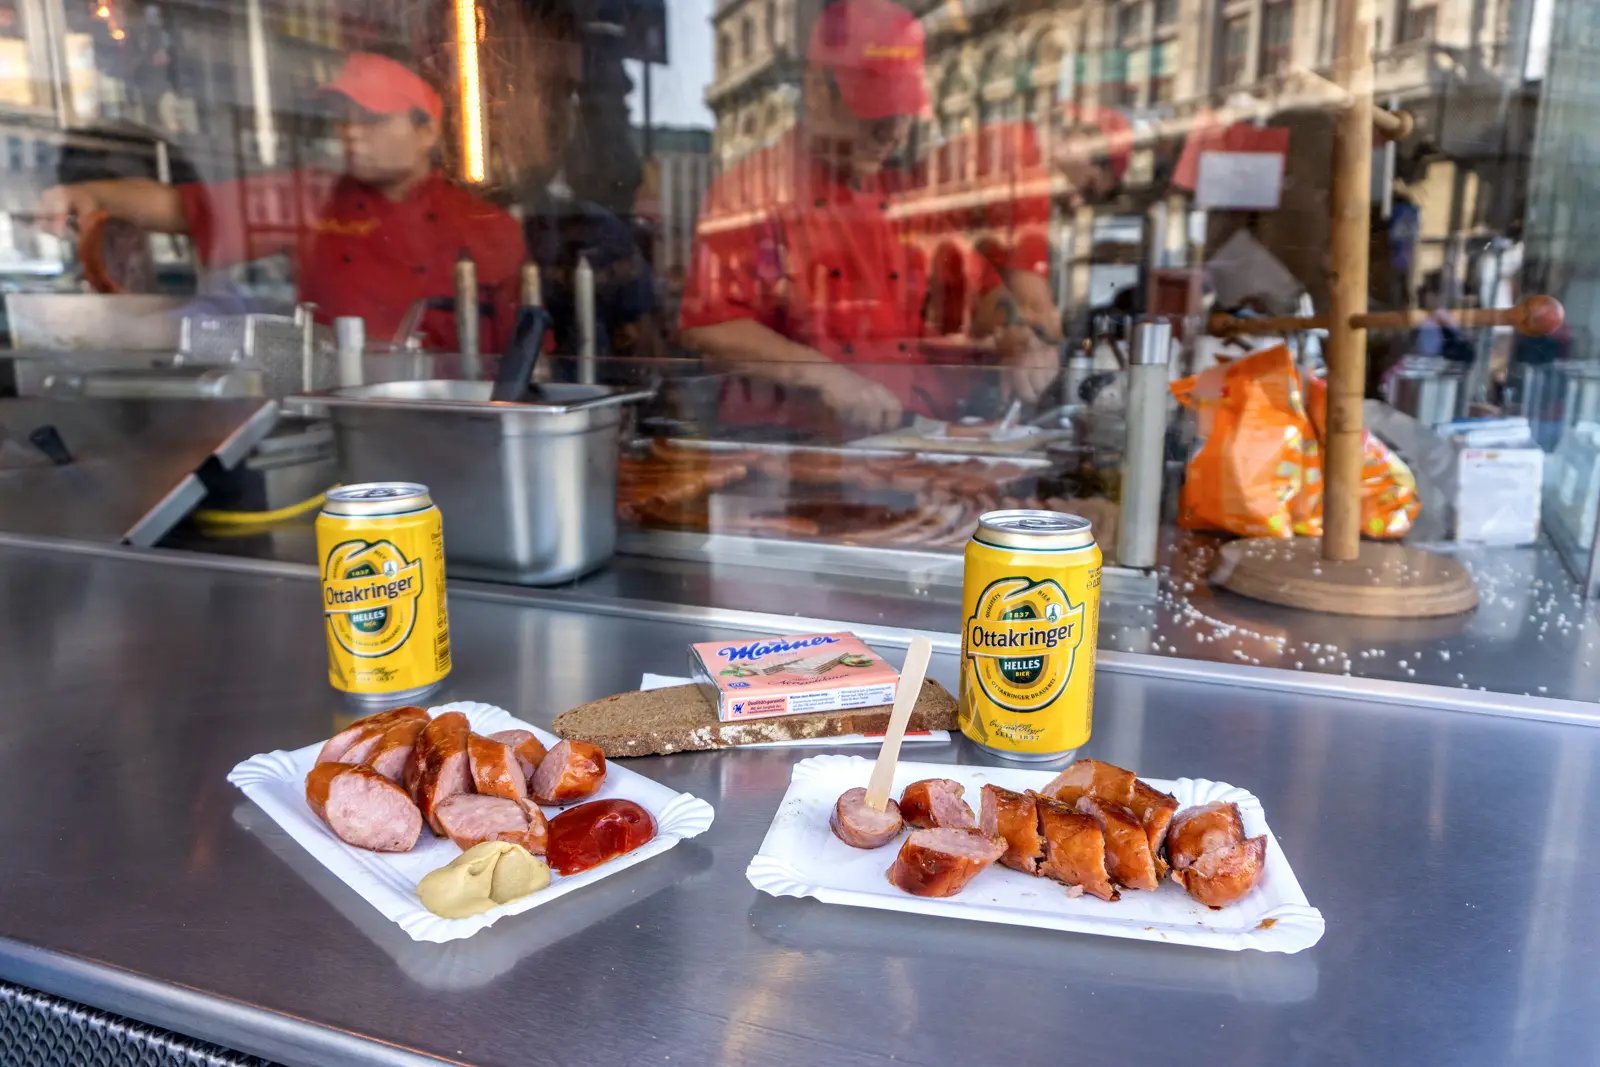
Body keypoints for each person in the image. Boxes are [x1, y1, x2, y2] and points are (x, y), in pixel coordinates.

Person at [679, 0, 1058, 432]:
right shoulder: (749, 192)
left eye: (902, 117)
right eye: (876, 115)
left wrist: (1020, 340)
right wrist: (822, 375)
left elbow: (982, 291)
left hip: (913, 444)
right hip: (793, 456)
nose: (892, 135)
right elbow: (712, 326)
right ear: (817, 90)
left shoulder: (909, 197)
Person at [37, 52, 522, 353]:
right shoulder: (310, 196)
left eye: (370, 118)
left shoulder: (487, 227)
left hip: (448, 417)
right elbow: (179, 208)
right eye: (341, 118)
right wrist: (92, 193)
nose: (349, 132)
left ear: (427, 130)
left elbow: (526, 351)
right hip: (329, 412)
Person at [500, 0, 662, 362]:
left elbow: (646, 350)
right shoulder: (475, 216)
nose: (554, 111)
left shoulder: (602, 232)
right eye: (543, 90)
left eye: (564, 94)